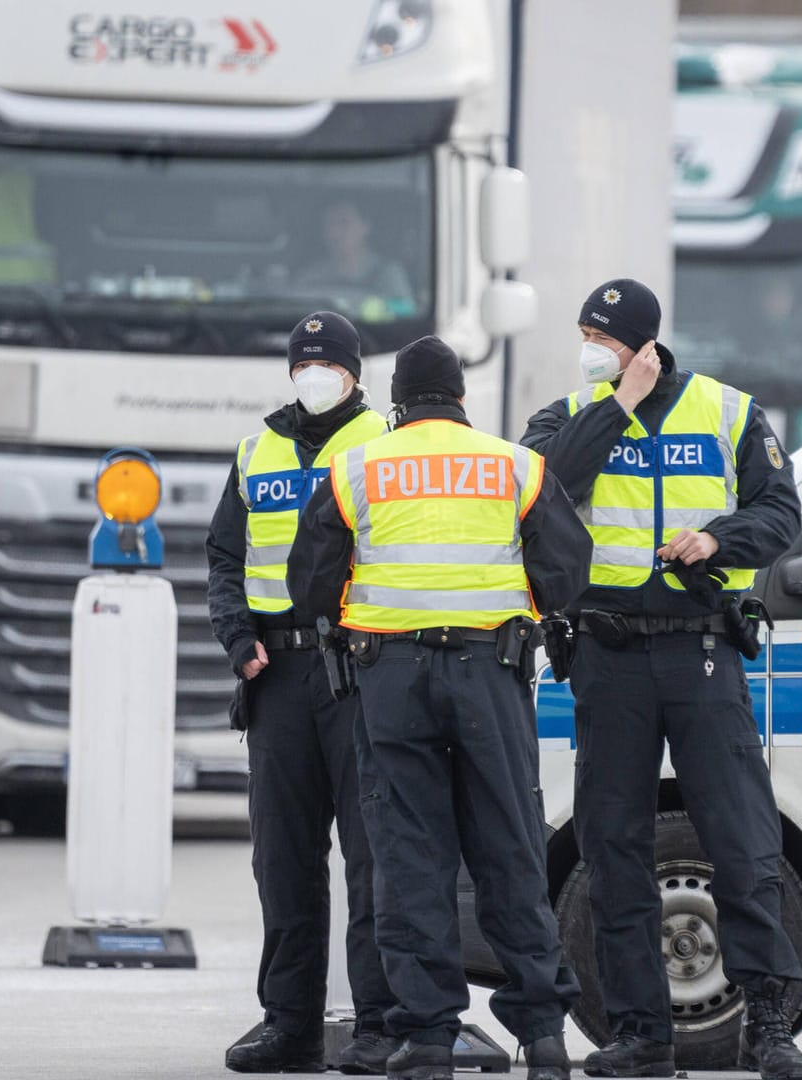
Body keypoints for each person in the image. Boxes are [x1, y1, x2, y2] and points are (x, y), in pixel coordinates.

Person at [520, 279, 802, 1080]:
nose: (588, 347)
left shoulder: (727, 412)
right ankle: (641, 1034)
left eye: (601, 335)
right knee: (613, 848)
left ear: (642, 341)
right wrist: (619, 404)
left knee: (742, 840)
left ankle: (770, 1025)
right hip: (607, 657)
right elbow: (540, 495)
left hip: (702, 649)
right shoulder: (569, 416)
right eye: (582, 332)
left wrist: (719, 540)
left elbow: (781, 517)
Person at [288, 336, 589, 1080]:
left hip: (391, 680)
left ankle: (427, 1039)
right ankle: (543, 1038)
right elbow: (567, 568)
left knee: (409, 856)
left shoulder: (356, 468)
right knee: (511, 849)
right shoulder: (512, 465)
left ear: (397, 402)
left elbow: (310, 584)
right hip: (491, 673)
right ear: (461, 398)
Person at [207, 311, 397, 1075]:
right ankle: (290, 1023)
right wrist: (237, 638)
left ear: (355, 374)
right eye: (302, 364)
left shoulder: (386, 442)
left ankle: (380, 1022)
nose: (313, 376)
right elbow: (224, 556)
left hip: (359, 669)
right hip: (277, 674)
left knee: (374, 854)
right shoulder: (257, 451)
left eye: (328, 365)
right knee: (283, 857)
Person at [295, 199, 416, 322]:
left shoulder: (388, 273)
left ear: (365, 227)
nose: (335, 233)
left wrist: (381, 307)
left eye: (344, 223)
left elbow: (408, 310)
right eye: (329, 224)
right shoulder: (311, 277)